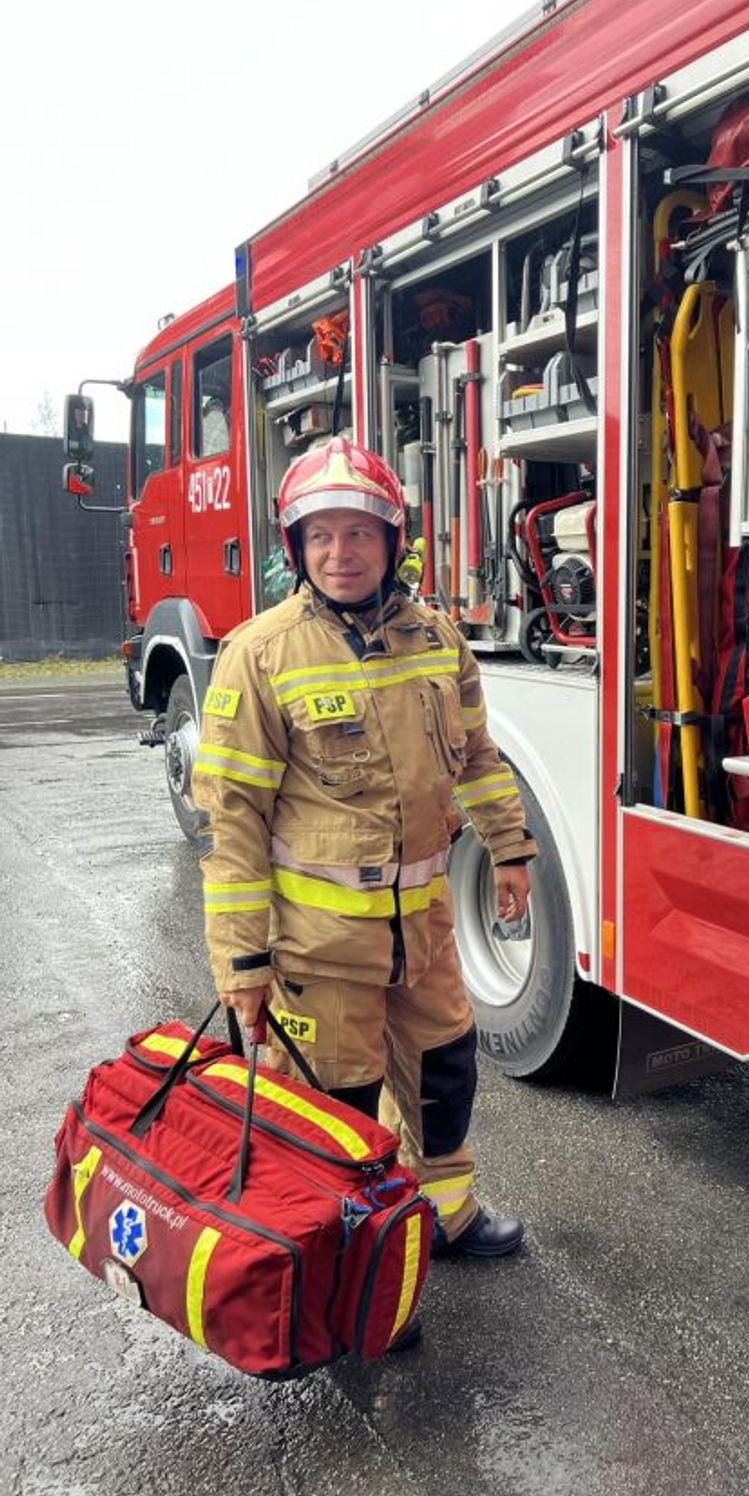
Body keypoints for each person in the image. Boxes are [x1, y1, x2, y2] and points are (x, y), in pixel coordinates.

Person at [192, 436, 534, 1260]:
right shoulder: (260, 653)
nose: (339, 553)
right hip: (318, 947)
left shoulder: (438, 640)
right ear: (297, 549)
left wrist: (511, 849)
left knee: (445, 1075)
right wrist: (243, 964)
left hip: (423, 928)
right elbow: (233, 817)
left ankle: (445, 1213)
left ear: (392, 541)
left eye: (357, 533)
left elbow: (479, 759)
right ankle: (362, 1265)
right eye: (320, 536)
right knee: (337, 1109)